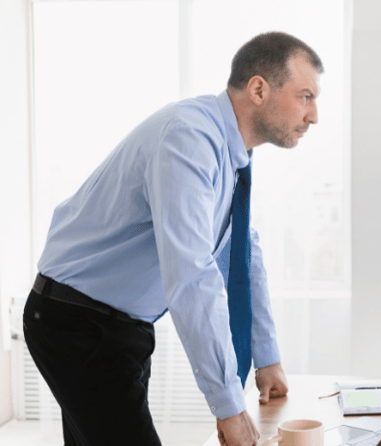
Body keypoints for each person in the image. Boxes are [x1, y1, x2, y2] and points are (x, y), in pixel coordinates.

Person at [23, 31, 323, 446]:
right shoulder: (189, 139)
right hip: (77, 322)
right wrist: (229, 407)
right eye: (306, 96)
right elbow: (192, 276)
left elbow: (242, 255)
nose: (314, 116)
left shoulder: (229, 152)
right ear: (259, 89)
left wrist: (265, 355)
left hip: (119, 327)